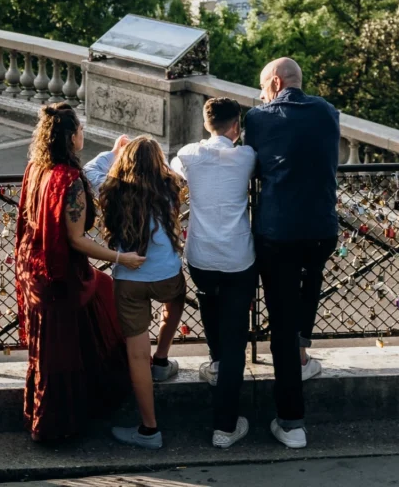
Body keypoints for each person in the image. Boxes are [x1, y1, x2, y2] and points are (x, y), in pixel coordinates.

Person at [15, 102, 145, 442]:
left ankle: (49, 413)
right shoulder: (69, 180)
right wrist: (121, 257)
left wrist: (114, 155)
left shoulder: (37, 168)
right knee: (98, 307)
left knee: (54, 346)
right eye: (81, 130)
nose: (83, 135)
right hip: (59, 276)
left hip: (33, 267)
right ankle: (62, 422)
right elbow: (76, 240)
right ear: (72, 137)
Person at [244, 58, 339, 451]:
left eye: (264, 88)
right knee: (310, 281)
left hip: (278, 232)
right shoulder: (328, 113)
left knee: (280, 325)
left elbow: (252, 159)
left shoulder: (257, 118)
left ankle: (291, 421)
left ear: (276, 83)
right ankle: (303, 351)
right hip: (322, 229)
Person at [86, 136, 186, 451]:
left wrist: (115, 152)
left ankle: (149, 429)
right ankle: (162, 358)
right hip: (167, 274)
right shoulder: (170, 187)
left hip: (129, 278)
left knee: (136, 353)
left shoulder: (111, 188)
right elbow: (171, 171)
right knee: (176, 301)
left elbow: (90, 169)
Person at [171, 96, 257, 450]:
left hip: (201, 253)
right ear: (236, 126)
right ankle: (224, 426)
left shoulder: (188, 155)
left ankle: (217, 363)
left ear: (206, 123)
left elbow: (172, 173)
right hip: (238, 255)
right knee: (237, 334)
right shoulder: (248, 156)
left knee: (208, 304)